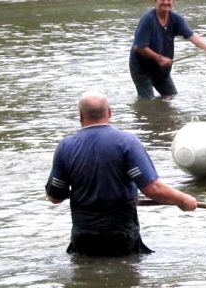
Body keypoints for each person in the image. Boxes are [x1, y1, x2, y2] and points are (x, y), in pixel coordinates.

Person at [45, 92, 198, 256]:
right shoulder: (127, 142)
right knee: (127, 277)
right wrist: (184, 200)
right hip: (120, 236)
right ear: (110, 112)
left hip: (83, 238)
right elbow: (152, 188)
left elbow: (55, 197)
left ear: (81, 116)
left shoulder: (65, 147)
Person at [129, 0, 206, 100]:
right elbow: (139, 47)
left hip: (161, 68)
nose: (166, 2)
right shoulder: (148, 19)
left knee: (171, 97)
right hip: (141, 67)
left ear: (173, 1)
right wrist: (160, 59)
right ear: (155, 0)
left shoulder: (176, 19)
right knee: (148, 101)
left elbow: (191, 35)